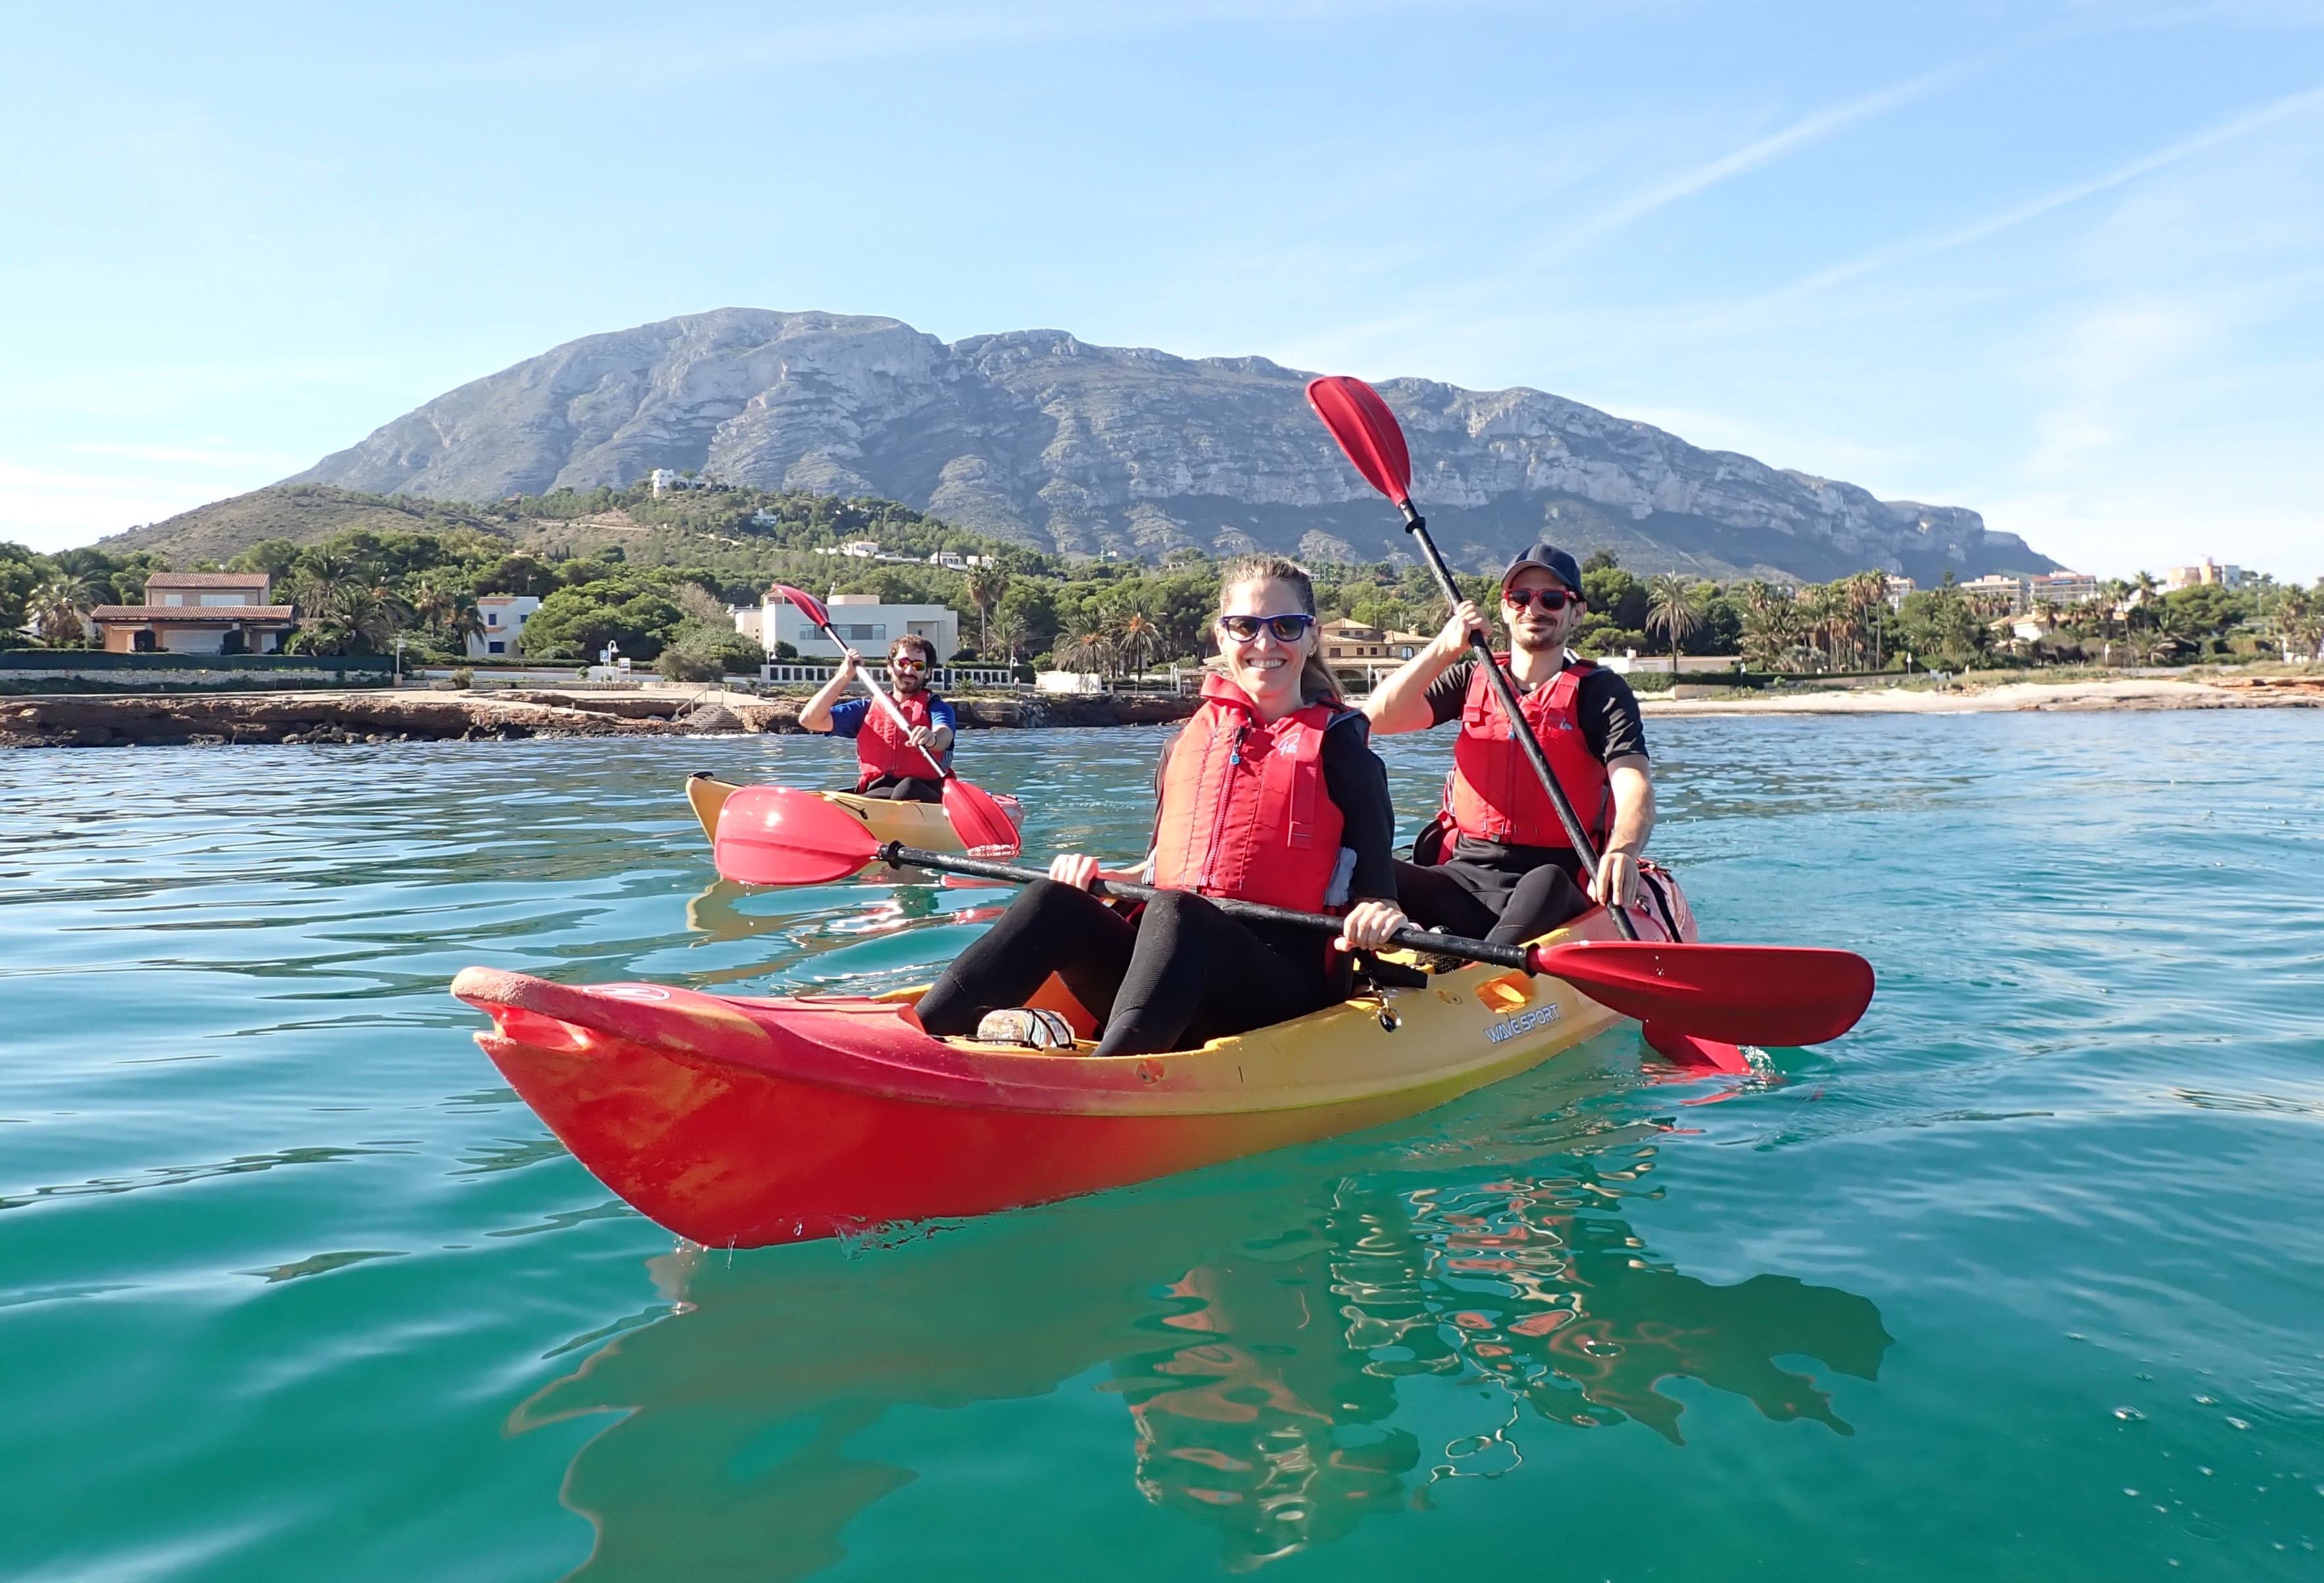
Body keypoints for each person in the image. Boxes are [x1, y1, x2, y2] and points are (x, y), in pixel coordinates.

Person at [915, 556, 1410, 1057]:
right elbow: (1157, 872)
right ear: (1222, 637)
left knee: (1178, 912)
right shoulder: (1186, 744)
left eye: (1285, 626)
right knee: (1054, 900)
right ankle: (919, 1041)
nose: (1265, 643)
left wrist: (1377, 916)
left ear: (1310, 637)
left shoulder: (1344, 750)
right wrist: (1093, 876)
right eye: (1245, 626)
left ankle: (1110, 1085)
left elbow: (1380, 899)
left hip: (1281, 986)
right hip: (1174, 969)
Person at [1364, 543, 1655, 945]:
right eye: (1520, 598)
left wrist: (1622, 849)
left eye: (1552, 599)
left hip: (1554, 883)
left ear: (1577, 611)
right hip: (1464, 876)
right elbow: (1378, 719)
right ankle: (1424, 949)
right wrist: (1442, 650)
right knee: (1370, 867)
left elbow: (1633, 784)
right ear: (1505, 608)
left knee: (1547, 882)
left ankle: (1471, 960)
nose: (1533, 610)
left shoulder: (1600, 692)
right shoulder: (1471, 677)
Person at [799, 633, 956, 802]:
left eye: (918, 666)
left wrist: (932, 739)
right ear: (890, 667)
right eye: (902, 663)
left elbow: (944, 736)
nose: (909, 671)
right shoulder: (865, 709)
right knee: (832, 800)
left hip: (924, 792)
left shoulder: (938, 708)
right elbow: (809, 720)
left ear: (928, 673)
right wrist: (844, 676)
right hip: (876, 794)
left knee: (907, 788)